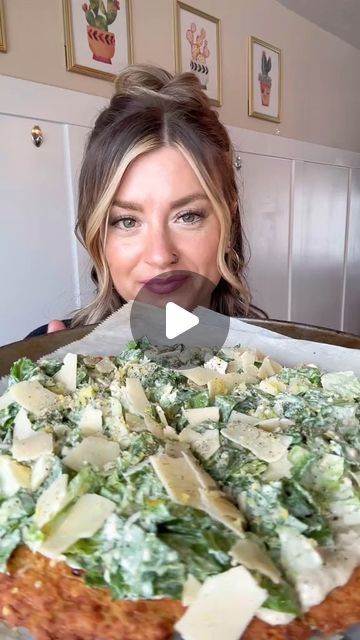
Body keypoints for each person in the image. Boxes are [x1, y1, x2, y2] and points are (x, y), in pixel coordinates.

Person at [27, 64, 265, 338]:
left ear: (229, 216)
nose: (160, 256)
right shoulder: (49, 358)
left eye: (188, 216)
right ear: (99, 237)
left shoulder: (280, 362)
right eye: (127, 221)